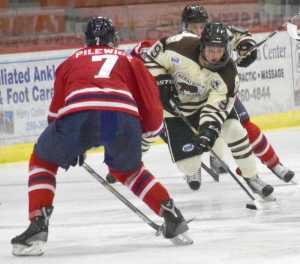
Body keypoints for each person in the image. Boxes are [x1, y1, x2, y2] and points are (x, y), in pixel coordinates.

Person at [10, 17, 192, 257]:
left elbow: (56, 113)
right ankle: (171, 214)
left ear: (86, 41)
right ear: (114, 40)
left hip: (81, 113)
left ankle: (38, 224)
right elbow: (150, 103)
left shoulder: (71, 60)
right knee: (127, 170)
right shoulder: (129, 60)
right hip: (116, 116)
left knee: (43, 159)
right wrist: (149, 131)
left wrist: (69, 146)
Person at [145, 20, 275, 201]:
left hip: (205, 106)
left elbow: (214, 109)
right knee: (189, 166)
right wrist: (160, 79)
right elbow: (149, 58)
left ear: (226, 48)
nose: (215, 56)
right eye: (211, 50)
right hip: (175, 111)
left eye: (220, 50)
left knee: (235, 130)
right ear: (202, 45)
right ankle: (194, 165)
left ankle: (252, 177)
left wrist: (208, 131)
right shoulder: (178, 45)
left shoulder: (228, 76)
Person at [177, 3, 295, 189]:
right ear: (185, 26)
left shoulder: (213, 34)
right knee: (193, 131)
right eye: (194, 26)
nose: (199, 30)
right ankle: (194, 166)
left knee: (244, 125)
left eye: (201, 25)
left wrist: (246, 47)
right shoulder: (179, 43)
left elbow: (241, 36)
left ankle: (273, 163)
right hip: (191, 98)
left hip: (221, 91)